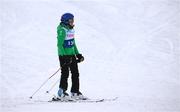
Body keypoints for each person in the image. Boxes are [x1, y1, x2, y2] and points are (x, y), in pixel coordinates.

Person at [57, 13, 84, 98]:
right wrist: (65, 57)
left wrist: (78, 54)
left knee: (75, 73)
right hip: (63, 55)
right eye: (71, 21)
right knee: (65, 73)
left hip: (71, 55)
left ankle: (74, 92)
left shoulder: (71, 29)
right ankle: (61, 92)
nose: (72, 22)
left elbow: (73, 43)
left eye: (73, 20)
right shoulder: (62, 30)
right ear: (66, 21)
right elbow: (59, 45)